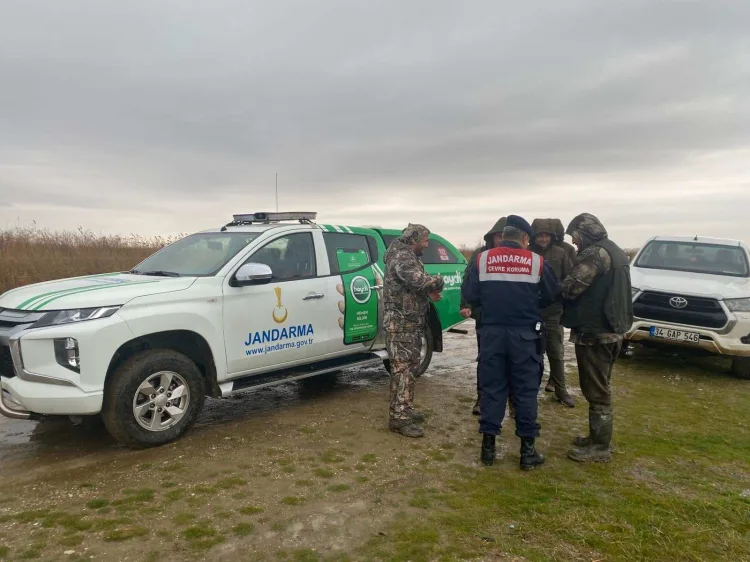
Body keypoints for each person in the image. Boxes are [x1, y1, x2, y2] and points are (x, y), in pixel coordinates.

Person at [462, 215, 560, 469]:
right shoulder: (537, 262)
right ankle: (527, 452)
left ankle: (488, 449)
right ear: (525, 238)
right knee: (525, 392)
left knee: (492, 389)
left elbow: (470, 294)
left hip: (492, 335)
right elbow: (551, 295)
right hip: (525, 336)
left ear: (503, 236)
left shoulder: (482, 259)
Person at [561, 213, 633, 463]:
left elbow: (572, 287)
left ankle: (600, 447)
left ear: (584, 234)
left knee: (597, 390)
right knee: (600, 385)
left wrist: (551, 286)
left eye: (575, 237)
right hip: (614, 331)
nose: (574, 243)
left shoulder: (594, 255)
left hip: (595, 334)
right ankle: (596, 439)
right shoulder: (616, 251)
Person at [383, 223, 445, 438]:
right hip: (401, 324)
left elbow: (415, 287)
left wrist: (428, 292)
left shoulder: (410, 257)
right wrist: (438, 282)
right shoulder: (402, 258)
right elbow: (421, 281)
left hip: (409, 322)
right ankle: (399, 419)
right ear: (414, 239)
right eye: (425, 241)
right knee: (402, 370)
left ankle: (405, 410)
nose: (427, 245)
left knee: (410, 368)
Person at [459, 217, 506, 416]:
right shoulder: (480, 255)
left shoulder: (523, 256)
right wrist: (466, 305)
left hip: (514, 320)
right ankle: (482, 399)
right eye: (498, 236)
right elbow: (468, 281)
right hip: (486, 318)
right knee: (486, 359)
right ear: (492, 237)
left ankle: (512, 402)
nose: (501, 239)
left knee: (514, 361)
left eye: (504, 235)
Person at [530, 219, 575, 407]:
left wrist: (559, 292)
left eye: (546, 235)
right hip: (531, 310)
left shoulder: (560, 253)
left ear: (552, 236)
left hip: (553, 310)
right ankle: (529, 389)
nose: (543, 238)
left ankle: (560, 389)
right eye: (540, 235)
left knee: (555, 351)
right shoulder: (528, 254)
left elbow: (570, 278)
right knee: (531, 352)